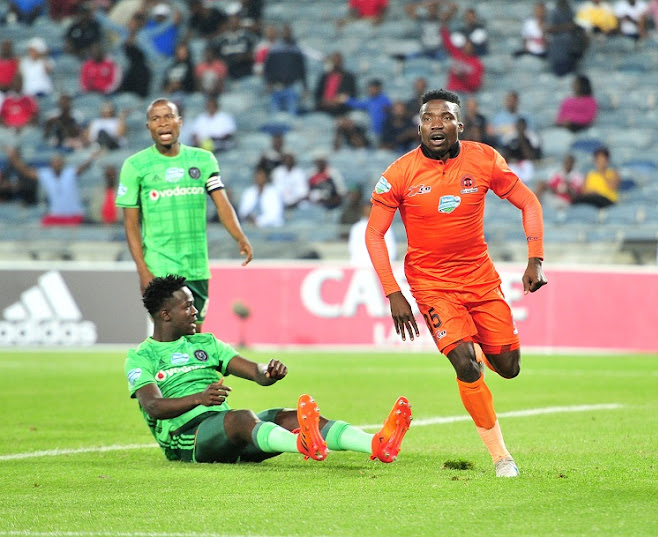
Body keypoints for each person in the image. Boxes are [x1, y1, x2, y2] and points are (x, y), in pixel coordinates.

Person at [365, 89, 547, 478]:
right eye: (428, 117)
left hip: (480, 279)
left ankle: (481, 353)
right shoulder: (399, 173)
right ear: (419, 125)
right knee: (464, 365)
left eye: (445, 117)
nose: (436, 123)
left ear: (459, 125)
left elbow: (529, 203)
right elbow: (374, 235)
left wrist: (536, 259)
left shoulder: (484, 159)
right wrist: (393, 292)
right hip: (431, 285)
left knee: (509, 367)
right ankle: (502, 457)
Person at [126, 274, 412, 464]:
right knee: (241, 419)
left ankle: (375, 443)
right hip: (188, 440)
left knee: (285, 415)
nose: (195, 311)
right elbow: (153, 405)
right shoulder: (142, 356)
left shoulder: (206, 343)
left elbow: (254, 372)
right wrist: (198, 399)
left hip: (224, 428)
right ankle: (302, 444)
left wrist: (268, 372)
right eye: (187, 307)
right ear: (165, 314)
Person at [116, 98, 253, 329]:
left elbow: (222, 204)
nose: (162, 123)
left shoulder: (203, 160)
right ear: (148, 126)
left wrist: (240, 236)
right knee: (167, 337)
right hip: (159, 267)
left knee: (196, 338)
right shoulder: (135, 166)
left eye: (168, 117)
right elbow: (130, 224)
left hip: (196, 266)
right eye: (155, 118)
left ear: (180, 122)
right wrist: (142, 269)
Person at [4, 146, 100, 225]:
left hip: (74, 215)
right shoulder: (46, 174)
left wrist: (91, 158)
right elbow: (26, 171)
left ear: (63, 163)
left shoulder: (70, 173)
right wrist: (14, 158)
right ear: (50, 164)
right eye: (54, 162)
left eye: (59, 162)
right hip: (56, 216)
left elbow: (83, 168)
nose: (57, 164)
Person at [349, 202, 396, 267]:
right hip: (360, 264)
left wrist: (386, 263)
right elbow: (353, 247)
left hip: (381, 265)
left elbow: (390, 247)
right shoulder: (357, 227)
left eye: (369, 208)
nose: (367, 210)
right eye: (366, 209)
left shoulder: (385, 225)